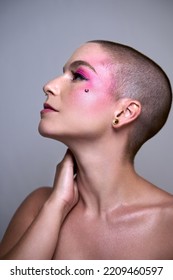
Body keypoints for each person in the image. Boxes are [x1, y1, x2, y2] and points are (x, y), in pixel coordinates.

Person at [0, 40, 173, 260]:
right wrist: (56, 207)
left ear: (125, 112)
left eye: (78, 76)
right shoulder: (39, 206)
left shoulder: (169, 225)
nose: (49, 86)